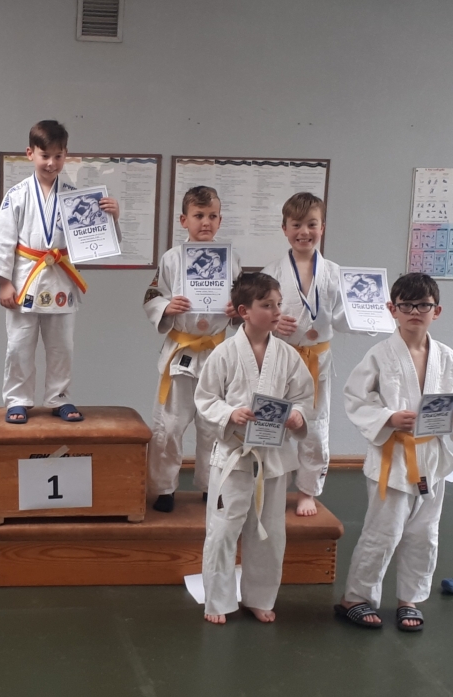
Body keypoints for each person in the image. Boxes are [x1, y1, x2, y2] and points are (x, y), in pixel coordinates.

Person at [335, 273, 453, 631]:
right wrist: (388, 418)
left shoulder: (448, 358)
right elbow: (355, 397)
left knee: (424, 533)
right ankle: (355, 597)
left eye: (423, 305)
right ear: (391, 309)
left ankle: (409, 599)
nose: (415, 312)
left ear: (436, 311)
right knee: (383, 532)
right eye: (406, 305)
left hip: (431, 457)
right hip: (393, 457)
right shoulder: (379, 354)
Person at [194, 272, 314, 624]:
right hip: (233, 457)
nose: (276, 312)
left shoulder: (288, 355)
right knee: (222, 531)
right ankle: (217, 601)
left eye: (278, 304)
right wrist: (230, 413)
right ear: (244, 311)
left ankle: (259, 597)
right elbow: (205, 398)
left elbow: (303, 397)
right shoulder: (224, 352)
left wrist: (297, 416)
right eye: (267, 305)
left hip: (272, 458)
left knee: (269, 532)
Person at [0, 120, 119, 424]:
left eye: (58, 156)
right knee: (19, 345)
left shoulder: (75, 198)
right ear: (30, 153)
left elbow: (94, 242)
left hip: (60, 279)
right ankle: (17, 399)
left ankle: (60, 398)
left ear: (66, 155)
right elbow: (2, 241)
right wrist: (3, 282)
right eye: (45, 156)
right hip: (25, 279)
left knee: (62, 347)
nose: (51, 163)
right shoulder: (17, 195)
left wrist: (111, 218)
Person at [143, 186, 242, 512]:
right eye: (199, 215)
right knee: (169, 425)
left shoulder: (231, 260)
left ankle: (212, 486)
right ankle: (164, 488)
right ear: (184, 220)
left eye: (212, 216)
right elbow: (152, 296)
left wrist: (236, 310)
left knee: (214, 425)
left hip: (217, 352)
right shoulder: (172, 259)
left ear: (220, 220)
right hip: (181, 352)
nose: (206, 222)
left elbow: (244, 304)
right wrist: (167, 306)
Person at [261, 192, 352, 516]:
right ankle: (272, 485)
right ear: (284, 228)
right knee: (276, 420)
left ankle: (307, 491)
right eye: (296, 224)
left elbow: (343, 319)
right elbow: (257, 316)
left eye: (311, 224)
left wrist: (370, 313)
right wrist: (272, 322)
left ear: (322, 227)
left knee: (315, 426)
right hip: (281, 358)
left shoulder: (335, 273)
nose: (304, 232)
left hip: (317, 360)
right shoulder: (270, 273)